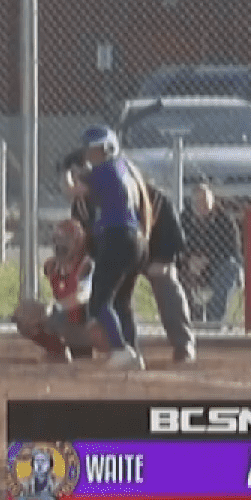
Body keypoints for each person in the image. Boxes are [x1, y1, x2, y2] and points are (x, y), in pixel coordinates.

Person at [74, 126, 152, 370]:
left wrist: (67, 175)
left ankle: (120, 349)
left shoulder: (105, 170)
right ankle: (132, 350)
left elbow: (74, 191)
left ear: (108, 149)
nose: (90, 155)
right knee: (121, 301)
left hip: (117, 237)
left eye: (95, 150)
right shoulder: (125, 168)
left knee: (99, 302)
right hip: (135, 238)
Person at [14, 218, 104, 364]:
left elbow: (83, 295)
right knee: (24, 314)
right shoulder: (51, 266)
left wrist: (56, 307)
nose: (59, 245)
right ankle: (57, 351)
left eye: (65, 240)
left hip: (88, 324)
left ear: (77, 242)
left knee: (59, 315)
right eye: (57, 240)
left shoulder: (86, 264)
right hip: (67, 320)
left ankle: (86, 352)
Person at [140, 177, 198, 365]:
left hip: (155, 256)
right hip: (124, 256)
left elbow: (176, 239)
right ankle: (117, 344)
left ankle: (183, 343)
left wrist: (164, 261)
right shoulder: (108, 200)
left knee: (166, 281)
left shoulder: (158, 201)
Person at [182, 180, 242, 325]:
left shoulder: (225, 220)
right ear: (192, 203)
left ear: (213, 202)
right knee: (173, 271)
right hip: (190, 266)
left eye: (205, 202)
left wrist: (208, 259)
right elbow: (176, 247)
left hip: (217, 266)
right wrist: (189, 260)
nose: (202, 206)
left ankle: (213, 322)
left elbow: (233, 250)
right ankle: (191, 319)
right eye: (198, 202)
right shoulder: (183, 219)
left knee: (231, 267)